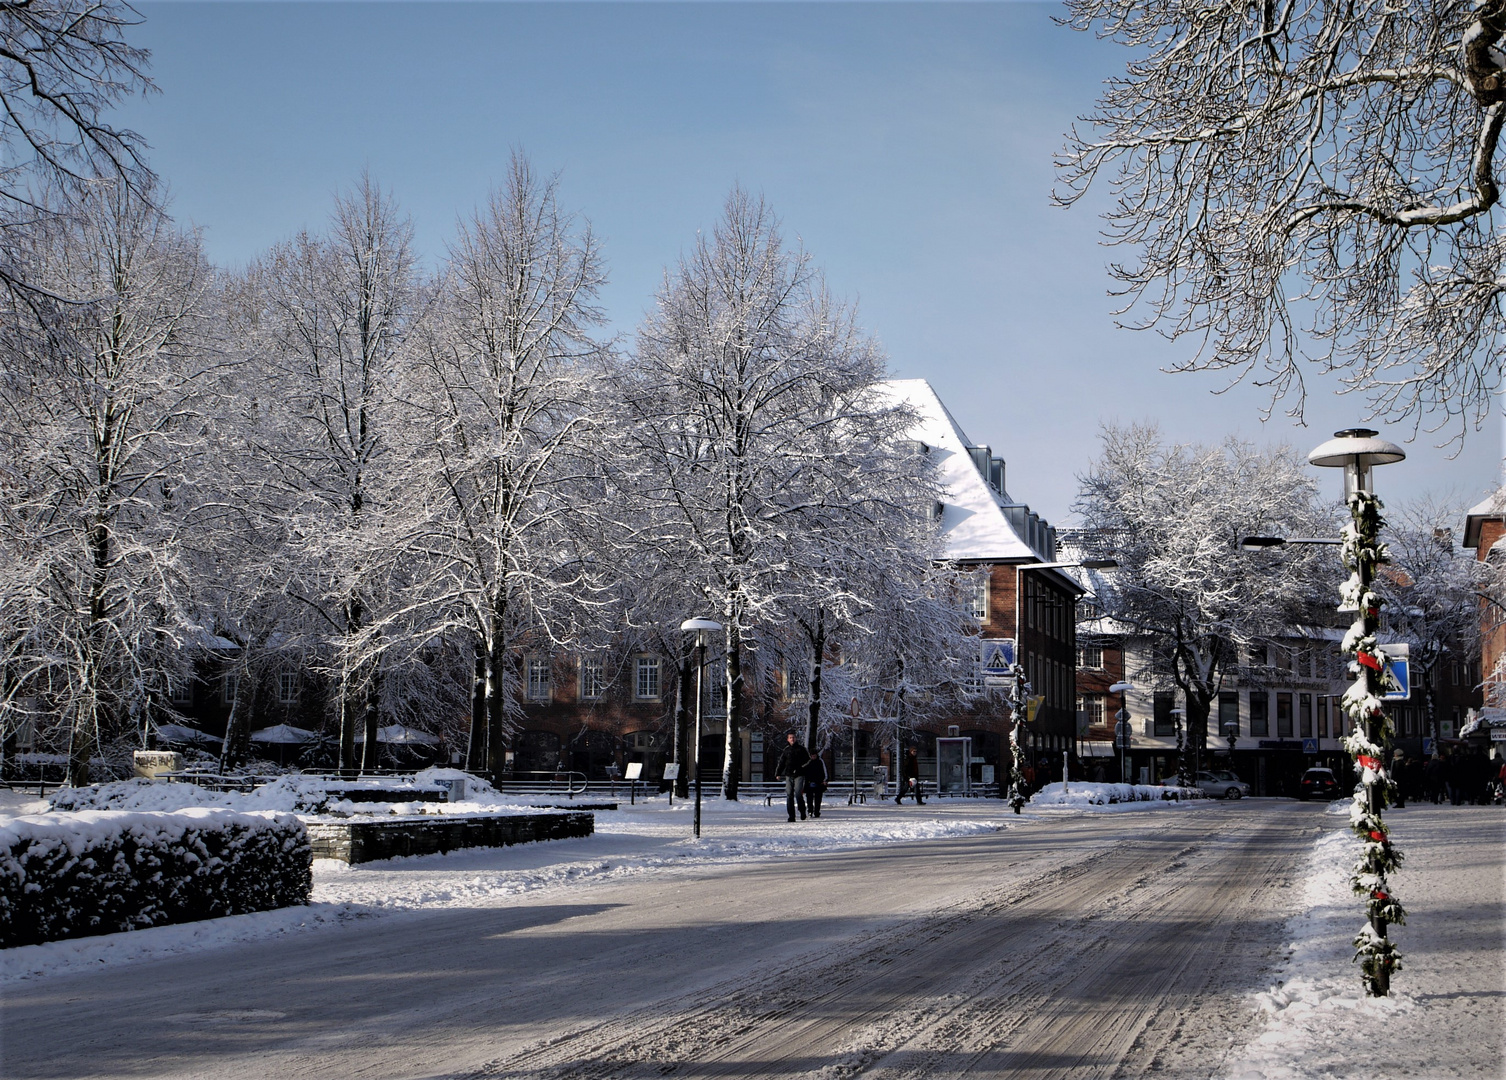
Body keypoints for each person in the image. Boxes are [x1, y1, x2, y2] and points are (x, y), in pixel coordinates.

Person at [775, 732, 810, 822]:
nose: (792, 739)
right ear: (788, 739)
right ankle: (791, 815)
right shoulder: (786, 750)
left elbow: (807, 761)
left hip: (799, 774)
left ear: (796, 738)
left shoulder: (802, 749)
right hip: (789, 774)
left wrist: (801, 768)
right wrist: (778, 773)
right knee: (789, 795)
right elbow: (782, 762)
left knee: (798, 794)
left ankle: (802, 811)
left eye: (793, 737)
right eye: (790, 737)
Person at [802, 750, 828, 818]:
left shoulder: (820, 761)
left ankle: (817, 811)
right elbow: (803, 770)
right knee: (809, 798)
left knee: (818, 798)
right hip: (809, 782)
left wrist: (825, 780)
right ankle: (810, 810)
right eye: (812, 756)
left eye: (814, 756)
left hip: (819, 782)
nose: (813, 757)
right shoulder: (808, 762)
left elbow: (824, 771)